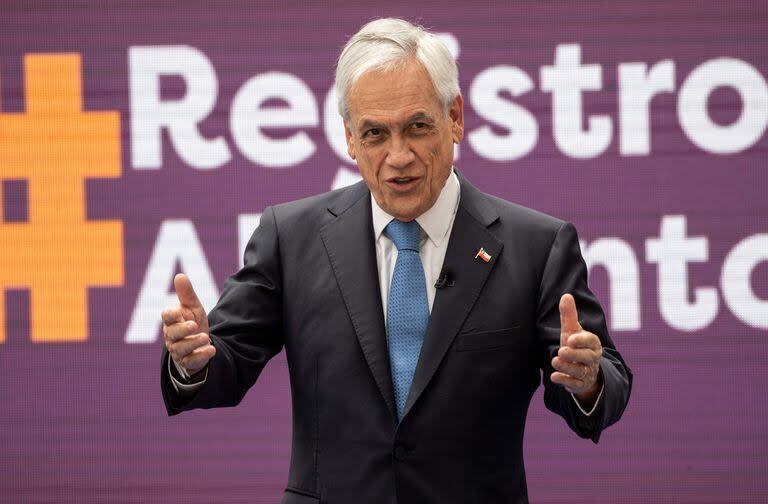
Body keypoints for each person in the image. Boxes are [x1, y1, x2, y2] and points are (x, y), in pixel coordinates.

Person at [160, 18, 632, 504]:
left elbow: (608, 381)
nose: (398, 155)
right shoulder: (292, 237)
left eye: (417, 127)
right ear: (349, 138)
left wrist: (588, 380)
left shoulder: (537, 246)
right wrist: (192, 360)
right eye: (375, 134)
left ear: (455, 118)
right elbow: (227, 362)